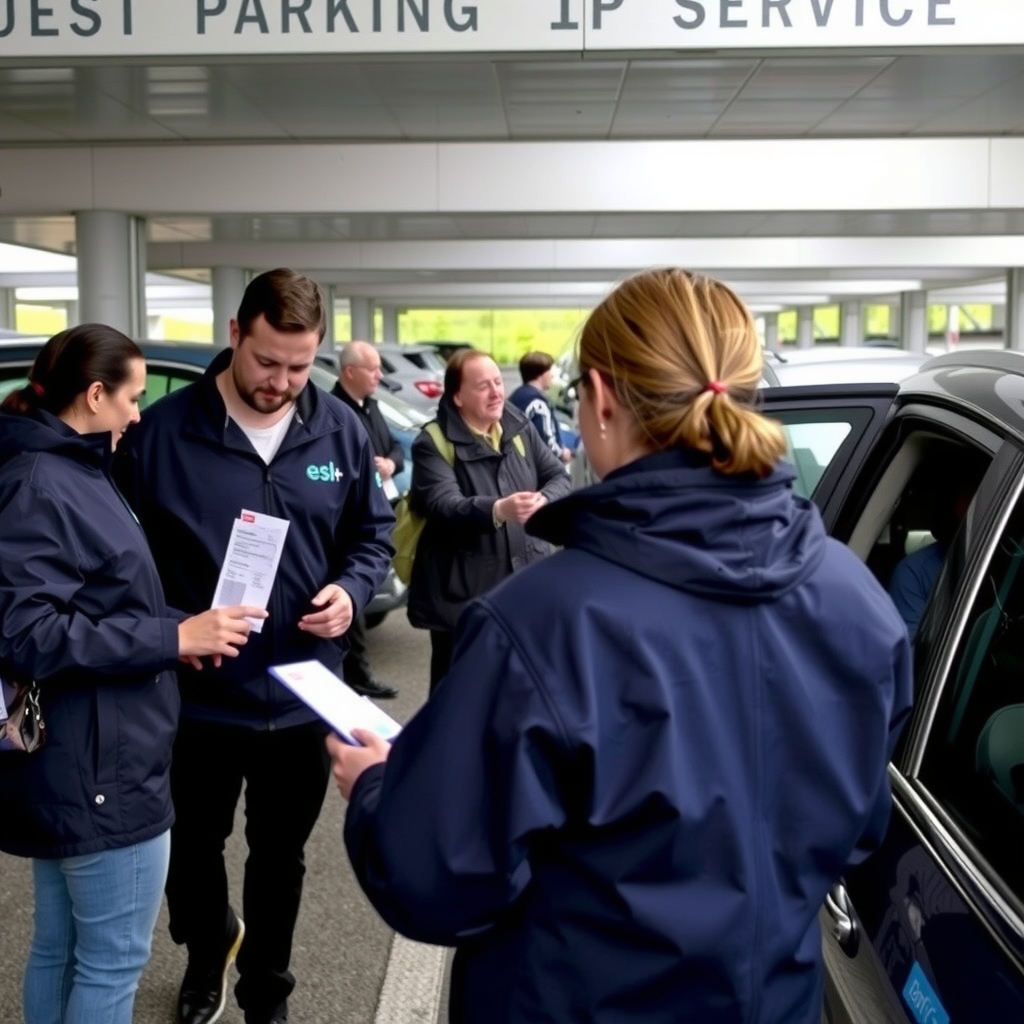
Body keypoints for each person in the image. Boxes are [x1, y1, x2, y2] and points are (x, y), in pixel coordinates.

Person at [329, 268, 914, 1024]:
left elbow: (434, 883)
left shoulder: (539, 625)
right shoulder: (859, 602)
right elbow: (857, 832)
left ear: (602, 400)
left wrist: (376, 785)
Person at [118, 270, 395, 1024]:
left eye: (300, 367)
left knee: (282, 859)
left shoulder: (337, 428)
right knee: (193, 850)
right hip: (197, 695)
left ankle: (266, 994)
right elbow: (117, 561)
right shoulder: (162, 434)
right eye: (267, 362)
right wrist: (174, 627)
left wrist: (351, 591)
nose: (281, 383)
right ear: (235, 334)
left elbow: (371, 538)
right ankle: (208, 949)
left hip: (303, 692)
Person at [0, 324, 261, 1024]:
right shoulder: (44, 481)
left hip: (82, 760)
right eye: (133, 397)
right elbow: (28, 633)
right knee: (110, 961)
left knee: (61, 949)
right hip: (101, 769)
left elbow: (100, 600)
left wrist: (179, 634)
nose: (140, 413)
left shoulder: (69, 468)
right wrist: (170, 636)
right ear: (93, 395)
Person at [404, 346, 571, 692]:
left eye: (498, 382)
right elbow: (443, 504)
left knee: (520, 693)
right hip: (465, 599)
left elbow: (559, 476)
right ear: (458, 397)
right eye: (483, 386)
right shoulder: (432, 442)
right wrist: (499, 509)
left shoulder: (518, 426)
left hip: (526, 588)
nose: (496, 392)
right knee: (458, 695)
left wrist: (543, 499)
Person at [330, 339, 403, 699]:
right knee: (349, 600)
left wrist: (391, 462)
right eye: (372, 368)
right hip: (347, 520)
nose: (379, 375)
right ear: (349, 372)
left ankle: (355, 673)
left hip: (381, 509)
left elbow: (396, 446)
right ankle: (355, 675)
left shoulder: (371, 406)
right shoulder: (335, 414)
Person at [508, 350, 573, 465]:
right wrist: (562, 453)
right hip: (540, 468)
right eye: (550, 371)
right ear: (541, 374)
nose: (552, 375)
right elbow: (545, 441)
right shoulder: (538, 403)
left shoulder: (516, 396)